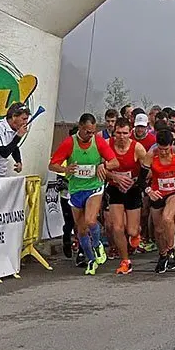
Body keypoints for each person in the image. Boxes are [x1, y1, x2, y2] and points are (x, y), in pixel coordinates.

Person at [49, 113, 119, 275]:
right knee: (80, 230)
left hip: (94, 187)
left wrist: (104, 165)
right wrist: (65, 169)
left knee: (90, 219)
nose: (90, 134)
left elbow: (115, 162)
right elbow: (52, 165)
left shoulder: (98, 142)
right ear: (80, 127)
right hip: (76, 189)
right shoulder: (69, 143)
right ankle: (91, 260)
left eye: (93, 131)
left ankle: (97, 245)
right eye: (87, 131)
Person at [137, 129, 175, 273]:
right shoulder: (151, 155)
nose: (163, 152)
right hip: (158, 191)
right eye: (160, 149)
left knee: (167, 218)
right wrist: (149, 191)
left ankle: (171, 250)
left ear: (172, 145)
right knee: (158, 229)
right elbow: (141, 180)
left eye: (166, 149)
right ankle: (163, 255)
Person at [105, 117, 147, 275]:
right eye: (118, 133)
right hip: (115, 188)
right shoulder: (107, 145)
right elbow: (100, 169)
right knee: (117, 227)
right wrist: (114, 177)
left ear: (130, 133)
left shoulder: (138, 148)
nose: (121, 136)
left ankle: (137, 234)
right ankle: (125, 261)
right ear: (113, 133)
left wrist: (138, 181)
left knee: (131, 230)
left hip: (132, 189)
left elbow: (148, 167)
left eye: (124, 133)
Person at [0, 102, 29, 177]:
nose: (26, 122)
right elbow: (4, 153)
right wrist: (18, 136)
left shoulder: (14, 128)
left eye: (27, 119)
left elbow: (14, 147)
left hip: (0, 171)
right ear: (14, 116)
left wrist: (18, 161)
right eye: (23, 119)